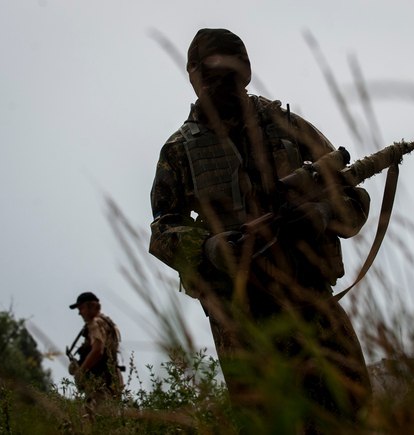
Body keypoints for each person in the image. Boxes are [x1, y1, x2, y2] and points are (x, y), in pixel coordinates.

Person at [149, 28, 372, 431]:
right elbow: (163, 229)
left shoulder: (287, 126)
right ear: (193, 75)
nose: (222, 86)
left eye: (231, 75)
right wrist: (211, 249)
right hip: (242, 320)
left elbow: (353, 200)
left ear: (247, 70)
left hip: (311, 302)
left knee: (351, 411)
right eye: (212, 76)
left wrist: (321, 215)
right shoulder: (181, 149)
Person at [68, 291, 124, 406]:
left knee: (94, 419)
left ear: (91, 306)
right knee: (109, 418)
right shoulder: (108, 323)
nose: (79, 313)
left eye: (81, 308)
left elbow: (98, 350)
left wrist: (81, 372)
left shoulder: (94, 324)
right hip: (113, 380)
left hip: (100, 383)